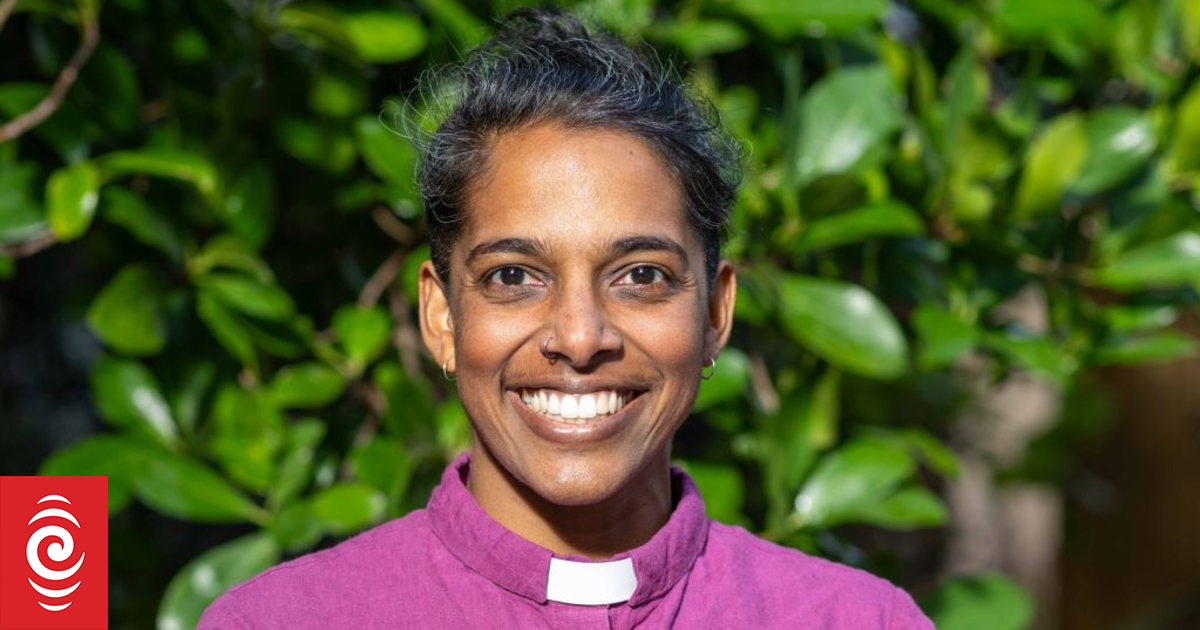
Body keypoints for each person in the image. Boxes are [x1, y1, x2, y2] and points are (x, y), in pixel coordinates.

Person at [199, 9, 935, 629]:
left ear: (715, 312)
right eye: (513, 277)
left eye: (641, 276)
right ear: (441, 315)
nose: (581, 338)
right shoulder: (278, 621)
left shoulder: (857, 620)